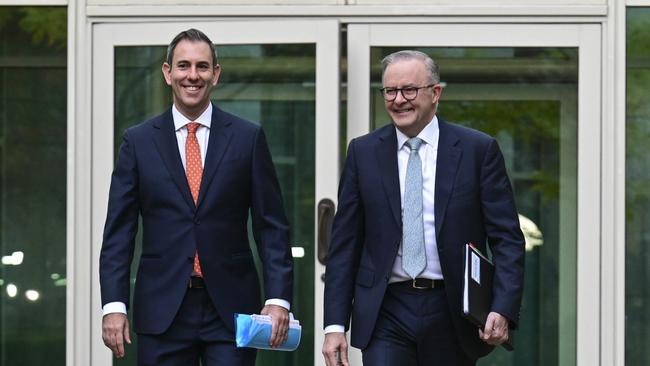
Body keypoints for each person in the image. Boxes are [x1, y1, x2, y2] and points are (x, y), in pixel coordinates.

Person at [99, 28, 293, 366]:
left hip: (231, 310)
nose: (193, 75)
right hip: (162, 310)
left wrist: (278, 299)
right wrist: (114, 305)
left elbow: (271, 226)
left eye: (202, 67)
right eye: (183, 65)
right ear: (167, 72)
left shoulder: (247, 139)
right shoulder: (139, 142)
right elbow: (119, 232)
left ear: (215, 74)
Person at [322, 50, 525, 366]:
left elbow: (507, 238)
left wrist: (502, 306)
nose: (398, 99)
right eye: (390, 91)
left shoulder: (477, 150)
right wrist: (334, 325)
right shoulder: (363, 153)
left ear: (436, 93)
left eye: (409, 90)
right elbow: (345, 244)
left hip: (452, 309)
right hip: (386, 309)